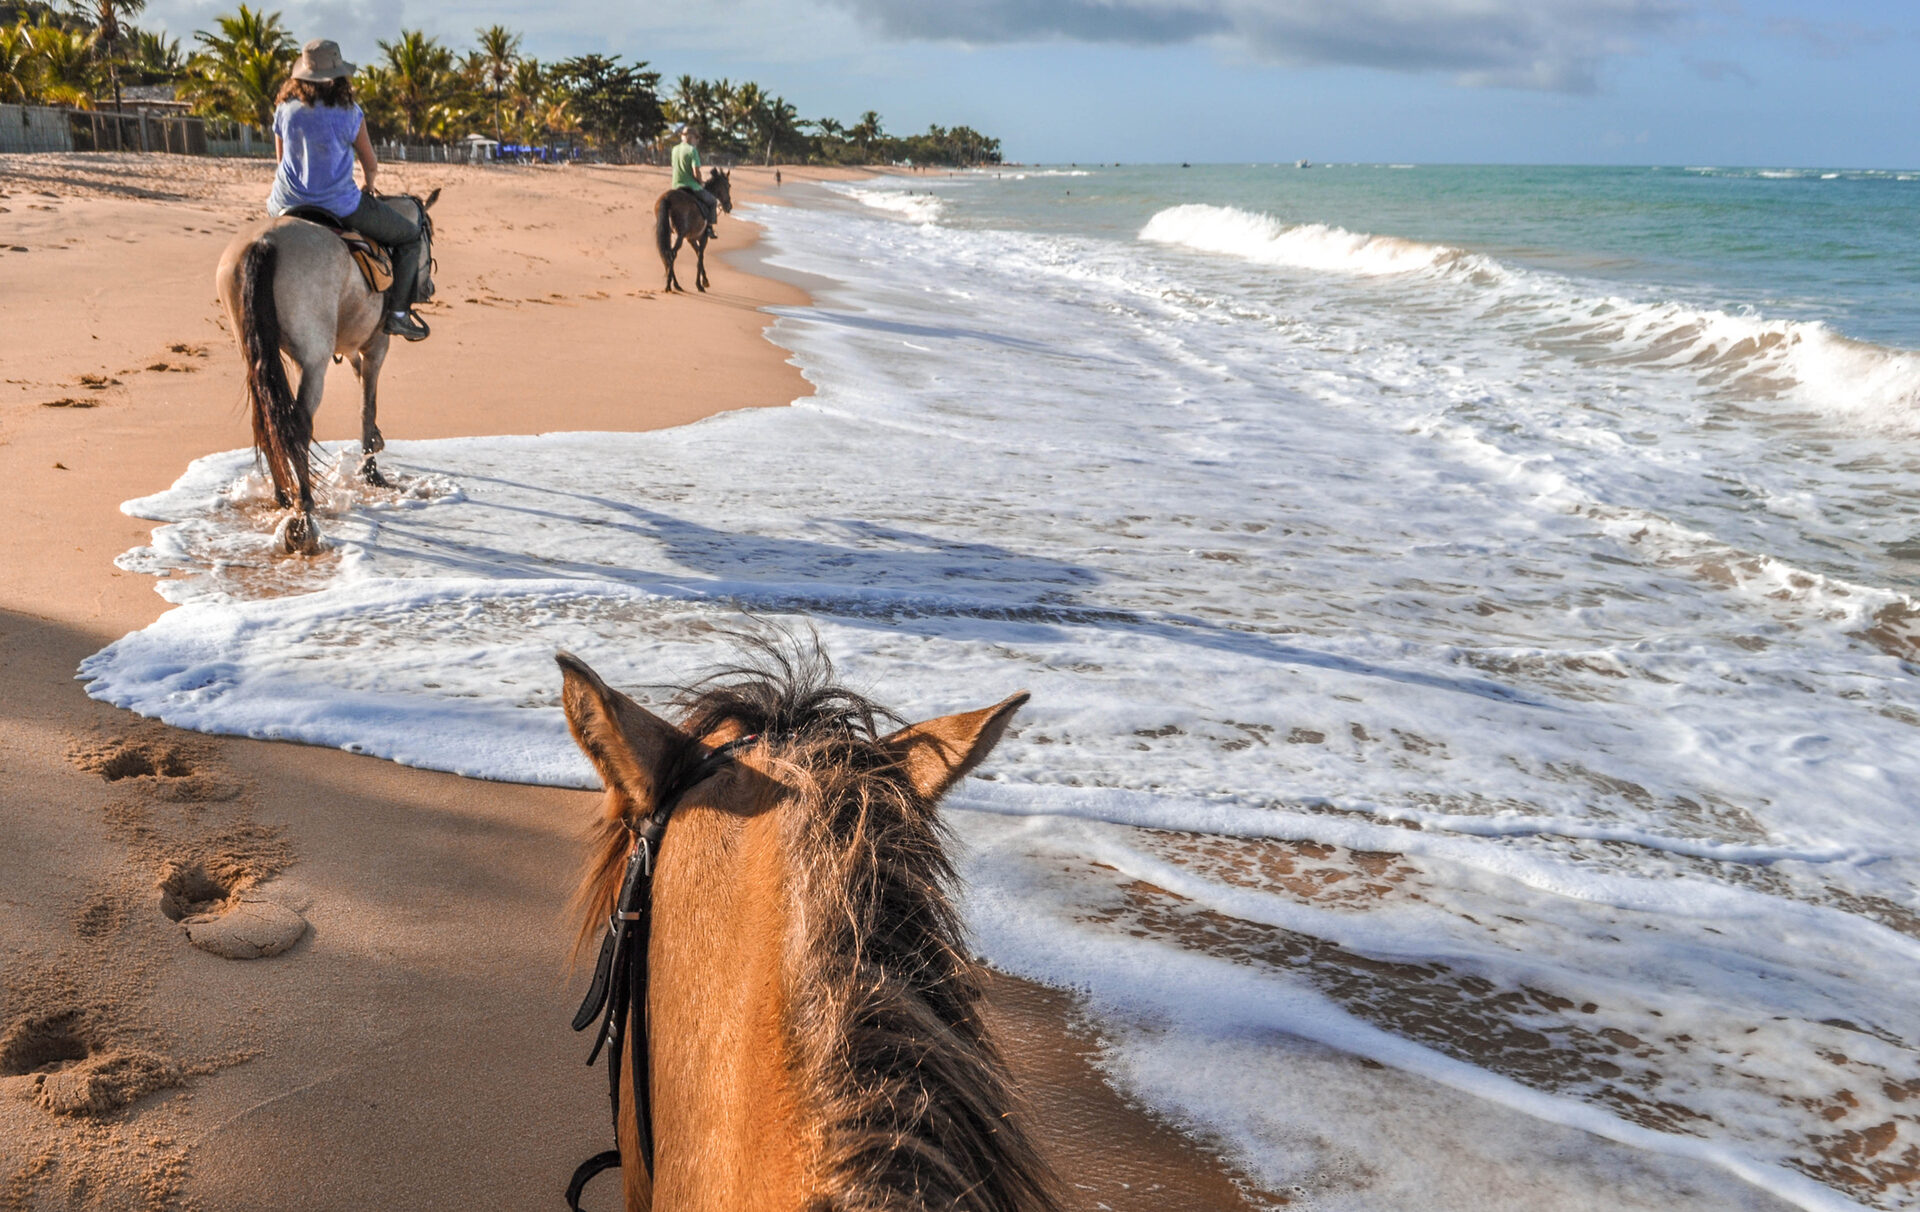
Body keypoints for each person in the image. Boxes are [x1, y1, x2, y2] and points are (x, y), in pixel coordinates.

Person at [266, 39, 429, 341]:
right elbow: (370, 162)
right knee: (409, 236)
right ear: (338, 76)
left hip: (283, 204)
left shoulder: (284, 109)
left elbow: (280, 161)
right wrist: (369, 183)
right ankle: (398, 314)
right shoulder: (350, 112)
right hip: (338, 206)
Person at [670, 124, 719, 239]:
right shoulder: (692, 150)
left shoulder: (674, 149)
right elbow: (695, 171)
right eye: (696, 138)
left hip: (676, 185)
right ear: (691, 137)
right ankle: (709, 229)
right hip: (690, 186)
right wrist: (700, 182)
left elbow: (674, 166)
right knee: (712, 202)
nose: (697, 141)